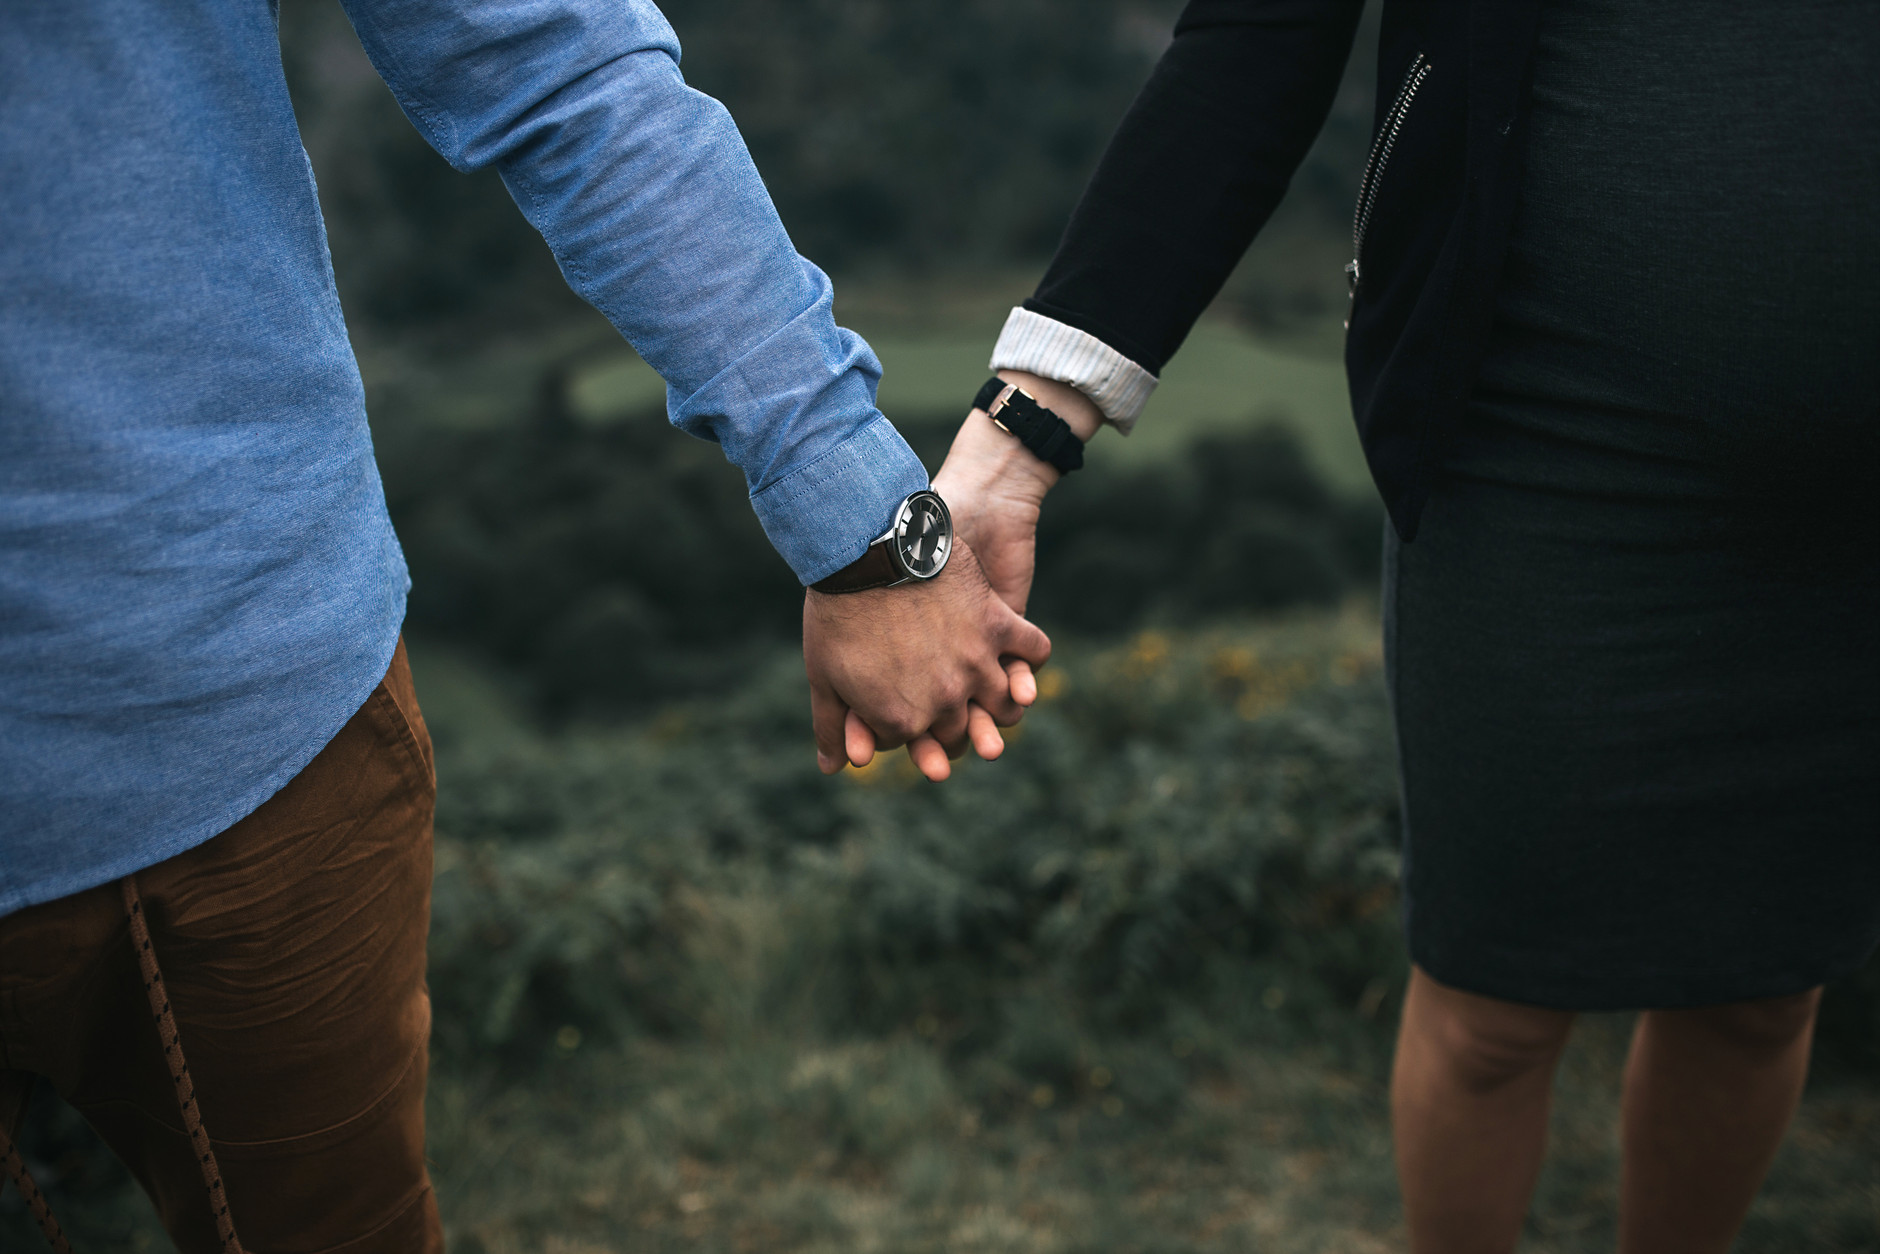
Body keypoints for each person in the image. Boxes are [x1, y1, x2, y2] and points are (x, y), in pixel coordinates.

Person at [0, 1, 1045, 1248]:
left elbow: (552, 58)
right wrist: (869, 540)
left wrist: (872, 537)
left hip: (228, 720)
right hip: (229, 676)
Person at [918, 1, 1880, 1250]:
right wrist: (1021, 437)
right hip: (1541, 441)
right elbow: (1258, 41)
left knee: (1761, 989)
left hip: (1846, 510)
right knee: (1491, 1009)